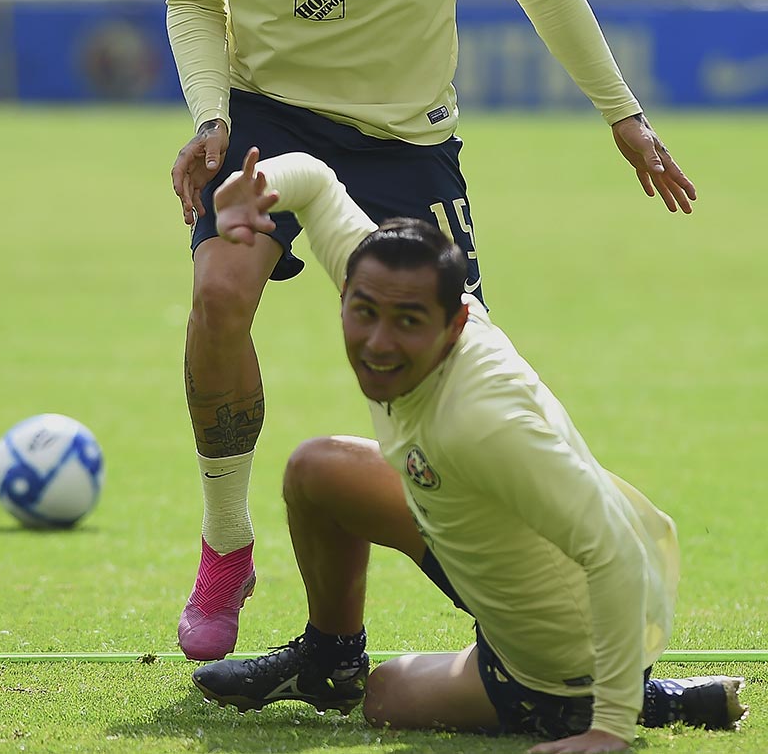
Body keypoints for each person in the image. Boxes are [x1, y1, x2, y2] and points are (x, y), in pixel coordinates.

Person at [166, 0, 697, 662]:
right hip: (265, 112)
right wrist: (208, 114)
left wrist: (619, 111)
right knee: (220, 295)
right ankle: (227, 544)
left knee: (448, 396)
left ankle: (535, 628)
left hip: (408, 141)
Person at [190, 149, 745, 754]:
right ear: (346, 289)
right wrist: (255, 187)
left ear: (454, 326)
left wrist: (608, 725)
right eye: (364, 312)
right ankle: (330, 658)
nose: (377, 342)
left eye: (407, 322)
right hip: (491, 540)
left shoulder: (485, 422)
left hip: (562, 646)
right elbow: (319, 185)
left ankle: (592, 704)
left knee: (387, 697)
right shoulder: (389, 279)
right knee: (318, 472)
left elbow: (616, 551)